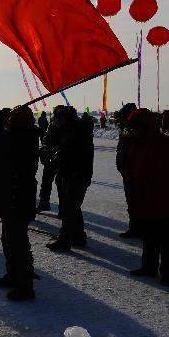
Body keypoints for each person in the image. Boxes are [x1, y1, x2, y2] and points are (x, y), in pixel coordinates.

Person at [124, 108, 169, 285]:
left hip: (163, 199)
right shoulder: (137, 144)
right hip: (146, 199)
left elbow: (166, 174)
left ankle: (167, 274)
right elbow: (131, 169)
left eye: (135, 127)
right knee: (149, 237)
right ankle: (149, 267)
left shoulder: (163, 144)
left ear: (144, 126)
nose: (132, 131)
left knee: (166, 239)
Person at [0, 106, 39, 300]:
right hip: (11, 195)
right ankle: (13, 275)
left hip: (19, 196)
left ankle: (25, 286)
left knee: (18, 243)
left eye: (11, 120)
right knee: (8, 240)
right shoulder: (16, 136)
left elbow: (1, 147)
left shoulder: (23, 138)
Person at [47, 106, 94, 251]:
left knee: (69, 208)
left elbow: (77, 154)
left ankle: (64, 240)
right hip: (70, 173)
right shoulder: (69, 130)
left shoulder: (78, 132)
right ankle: (78, 236)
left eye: (58, 118)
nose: (56, 121)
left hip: (77, 175)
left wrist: (60, 155)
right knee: (73, 207)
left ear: (66, 118)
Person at [114, 103, 139, 238]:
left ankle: (137, 227)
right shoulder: (126, 129)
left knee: (136, 201)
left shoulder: (134, 130)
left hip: (134, 171)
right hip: (127, 170)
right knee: (132, 200)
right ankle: (135, 226)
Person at [36, 106, 64, 213]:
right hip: (51, 158)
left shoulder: (68, 128)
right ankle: (44, 203)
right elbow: (46, 139)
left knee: (61, 184)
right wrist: (45, 149)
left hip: (62, 159)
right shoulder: (52, 125)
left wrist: (58, 150)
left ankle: (63, 208)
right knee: (46, 181)